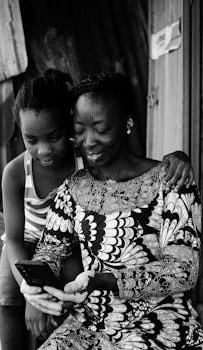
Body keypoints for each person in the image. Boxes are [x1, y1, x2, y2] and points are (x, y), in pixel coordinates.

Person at [21, 72, 203, 349]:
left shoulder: (171, 182)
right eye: (80, 130)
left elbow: (183, 270)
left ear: (127, 124)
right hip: (91, 321)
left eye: (101, 129)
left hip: (161, 324)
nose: (89, 140)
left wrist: (103, 280)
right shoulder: (73, 189)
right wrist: (34, 285)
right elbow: (50, 250)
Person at [0, 69, 84, 350]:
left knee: (66, 302)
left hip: (71, 246)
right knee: (9, 297)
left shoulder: (85, 165)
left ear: (68, 125)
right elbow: (13, 238)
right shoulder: (15, 173)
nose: (44, 149)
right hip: (25, 244)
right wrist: (30, 289)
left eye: (54, 136)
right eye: (31, 140)